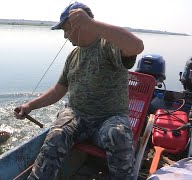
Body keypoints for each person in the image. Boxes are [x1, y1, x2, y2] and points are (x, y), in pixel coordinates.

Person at [14, 2, 144, 180]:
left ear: (82, 25)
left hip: (110, 118)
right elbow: (57, 90)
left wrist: (93, 24)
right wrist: (29, 106)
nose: (65, 36)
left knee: (118, 135)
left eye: (67, 30)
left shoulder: (108, 45)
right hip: (77, 116)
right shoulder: (73, 56)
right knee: (57, 134)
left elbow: (137, 46)